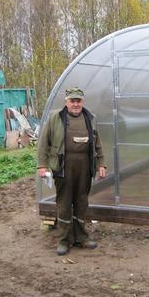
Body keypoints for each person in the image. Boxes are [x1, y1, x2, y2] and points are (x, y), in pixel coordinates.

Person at [37, 87, 106, 256]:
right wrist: (42, 165)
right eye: (72, 101)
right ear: (66, 102)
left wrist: (101, 164)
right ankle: (64, 240)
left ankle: (81, 237)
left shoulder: (90, 118)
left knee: (82, 202)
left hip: (84, 166)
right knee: (64, 203)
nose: (75, 104)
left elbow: (97, 143)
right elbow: (43, 142)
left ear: (82, 102)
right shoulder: (56, 118)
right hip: (63, 166)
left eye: (78, 101)